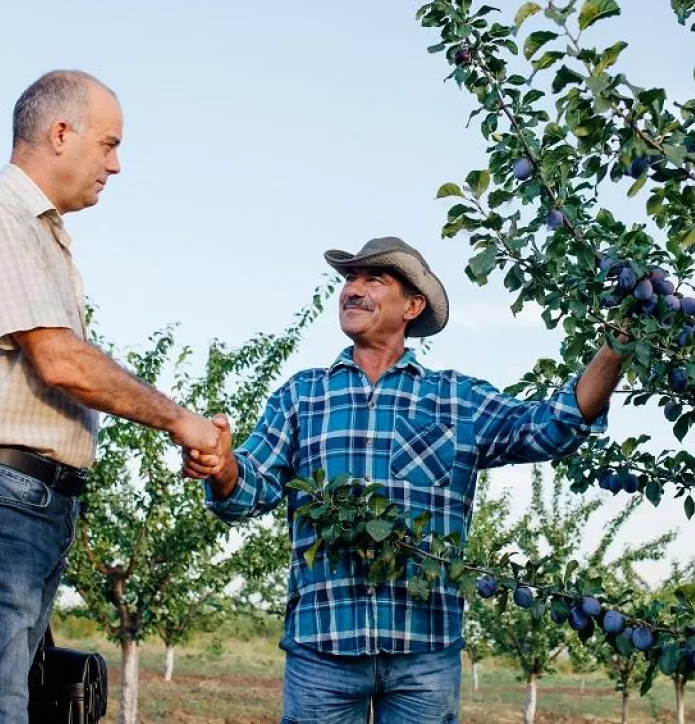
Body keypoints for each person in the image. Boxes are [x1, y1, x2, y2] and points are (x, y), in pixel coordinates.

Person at [185, 236, 625, 723]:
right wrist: (222, 466)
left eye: (374, 279)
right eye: (349, 278)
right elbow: (249, 487)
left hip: (425, 648)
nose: (353, 289)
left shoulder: (455, 400)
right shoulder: (301, 396)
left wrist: (618, 347)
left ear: (413, 305)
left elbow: (550, 428)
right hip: (324, 642)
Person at [0, 69, 231, 723]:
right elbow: (60, 361)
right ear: (61, 133)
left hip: (21, 502)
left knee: (9, 702)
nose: (116, 164)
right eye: (108, 143)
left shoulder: (42, 234)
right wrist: (181, 422)